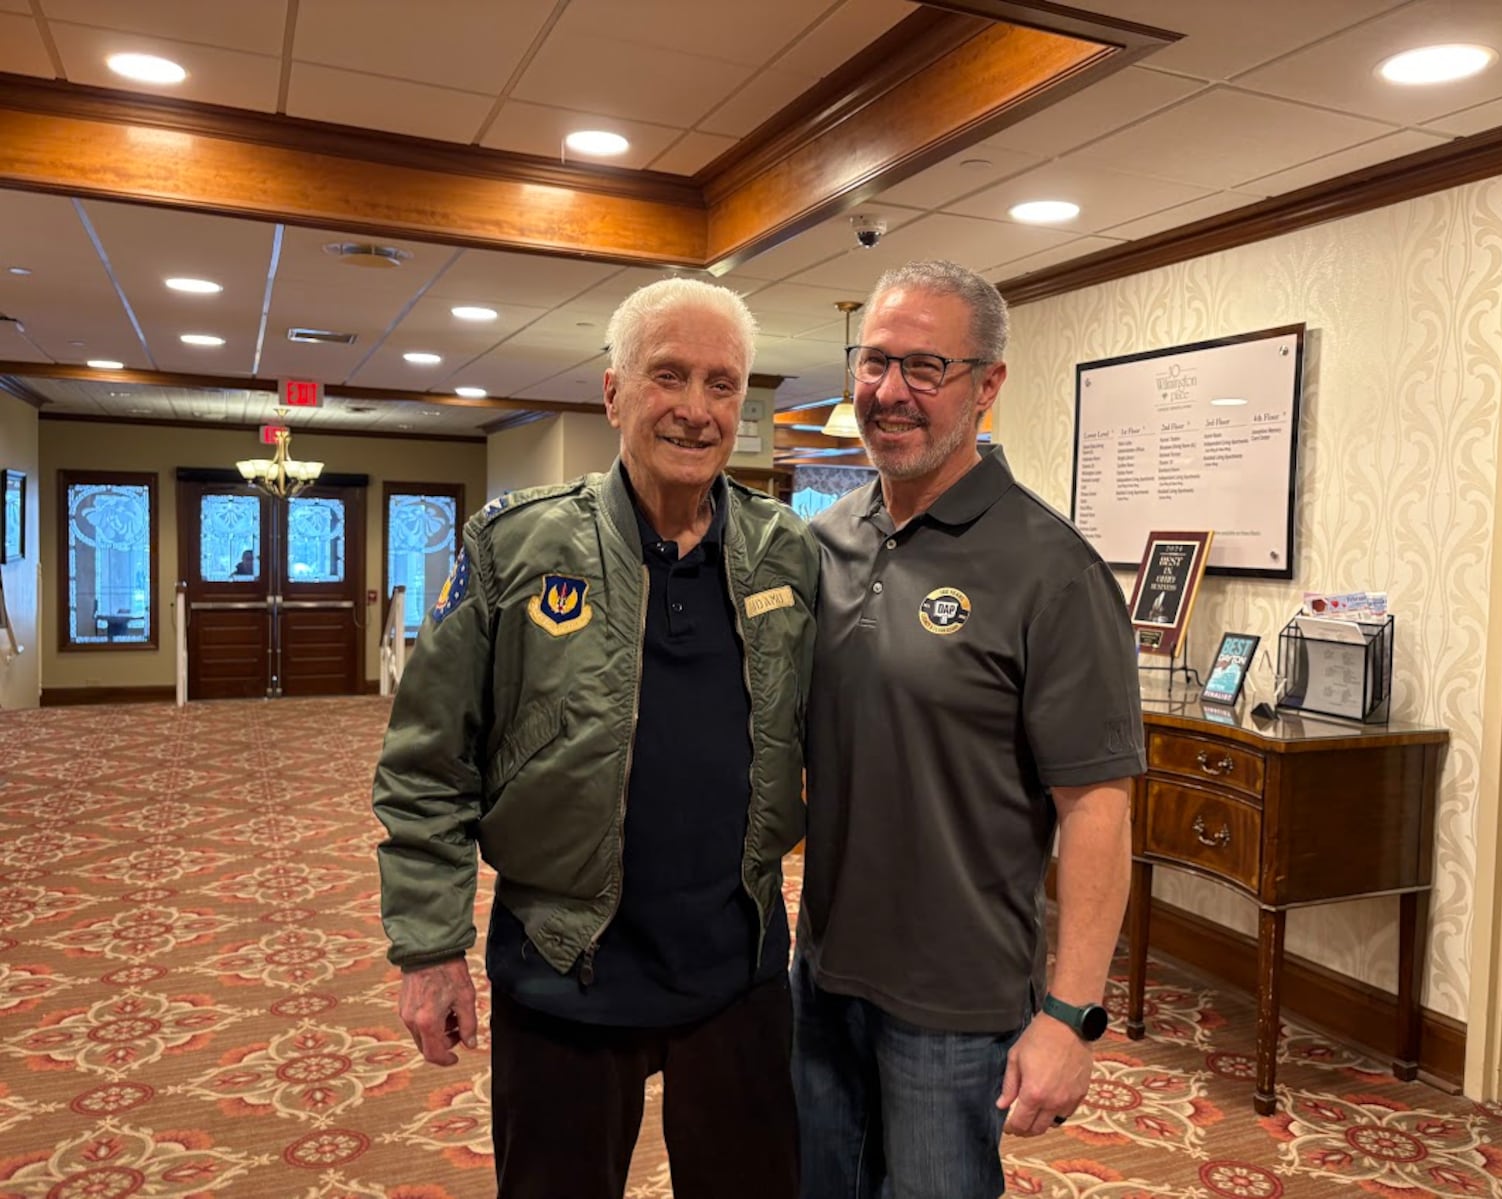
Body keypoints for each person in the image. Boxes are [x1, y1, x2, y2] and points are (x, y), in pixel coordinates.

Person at [372, 277, 819, 1199]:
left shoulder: (789, 552)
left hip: (737, 972)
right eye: (669, 376)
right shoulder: (515, 547)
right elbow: (427, 761)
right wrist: (427, 947)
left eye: (723, 384)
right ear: (613, 392)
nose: (697, 410)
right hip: (566, 966)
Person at [794, 260, 1146, 1199]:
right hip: (820, 973)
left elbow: (1096, 807)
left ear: (986, 385)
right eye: (874, 362)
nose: (889, 392)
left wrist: (1070, 1014)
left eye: (925, 367)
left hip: (956, 1003)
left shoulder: (1053, 570)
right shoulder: (822, 544)